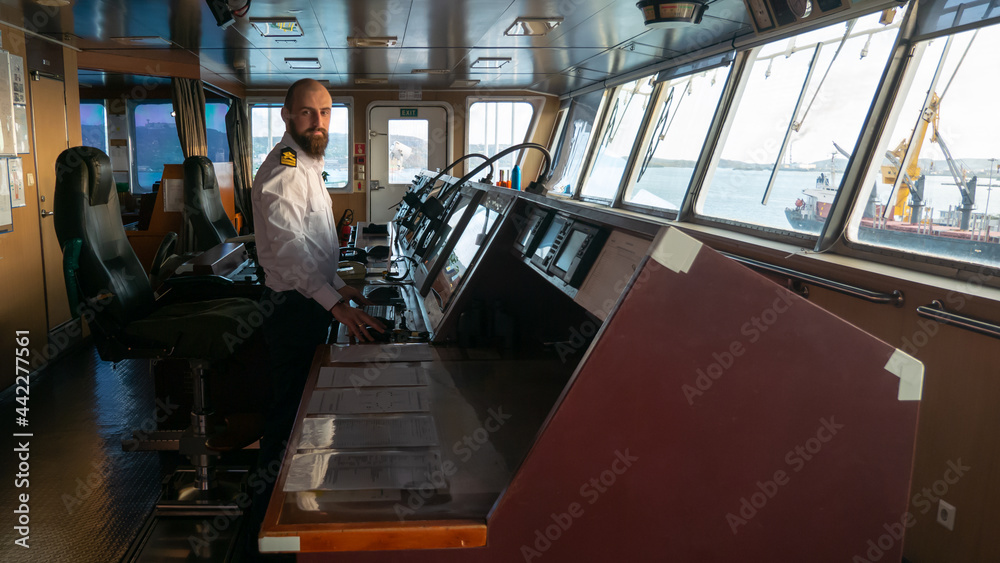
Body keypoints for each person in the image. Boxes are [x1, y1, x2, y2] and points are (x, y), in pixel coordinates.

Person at [244, 78, 384, 560]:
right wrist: (337, 304)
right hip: (292, 311)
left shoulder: (307, 163)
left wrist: (338, 287)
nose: (318, 122)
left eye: (325, 112)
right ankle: (260, 536)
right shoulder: (283, 172)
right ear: (286, 115)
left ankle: (290, 516)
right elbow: (288, 254)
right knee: (288, 419)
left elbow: (312, 246)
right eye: (307, 113)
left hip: (309, 301)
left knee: (301, 413)